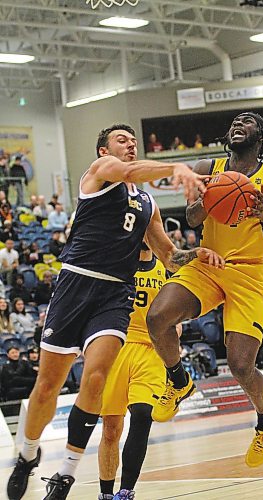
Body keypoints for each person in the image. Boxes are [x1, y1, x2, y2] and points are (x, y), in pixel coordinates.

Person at [7, 123, 221, 500]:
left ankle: (67, 472)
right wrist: (176, 168)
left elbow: (169, 256)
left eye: (133, 141)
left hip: (115, 293)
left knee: (95, 378)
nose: (130, 145)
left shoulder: (147, 204)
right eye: (122, 140)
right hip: (75, 284)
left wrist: (197, 254)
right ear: (104, 151)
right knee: (47, 387)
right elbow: (129, 172)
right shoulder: (100, 172)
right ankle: (27, 455)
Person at [147, 111, 263, 468]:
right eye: (235, 121)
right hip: (209, 262)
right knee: (157, 317)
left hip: (249, 272)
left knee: (241, 366)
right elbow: (193, 219)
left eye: (248, 121)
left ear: (262, 136)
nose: (238, 124)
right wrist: (206, 198)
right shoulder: (207, 165)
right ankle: (179, 381)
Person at [98, 243, 177, 500]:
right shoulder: (117, 263)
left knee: (143, 414)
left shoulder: (166, 268)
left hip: (151, 349)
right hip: (117, 346)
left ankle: (126, 491)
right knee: (111, 427)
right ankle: (106, 494)